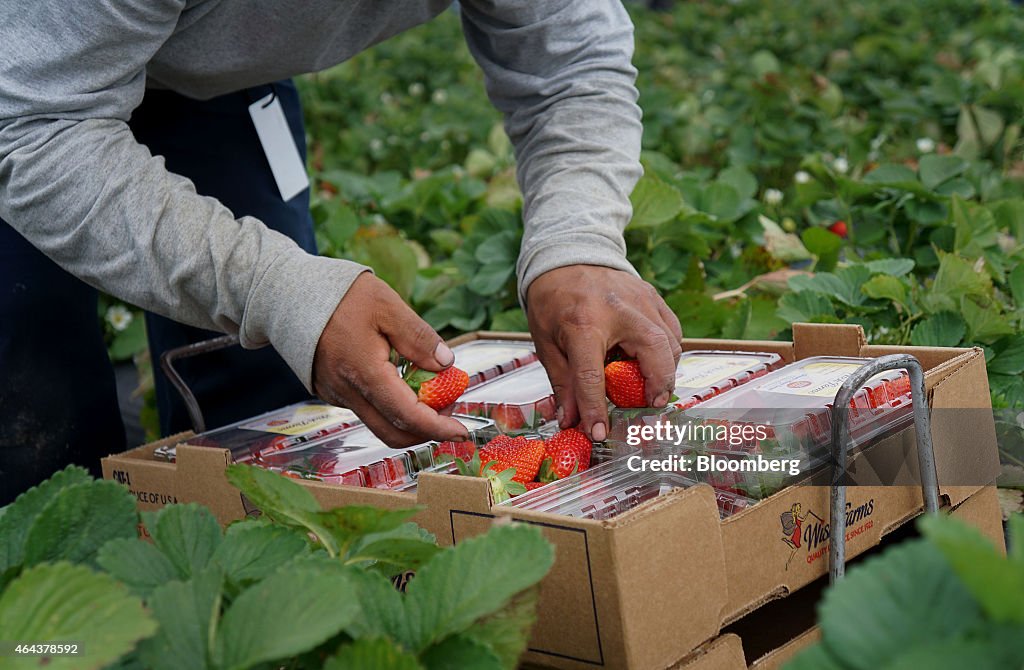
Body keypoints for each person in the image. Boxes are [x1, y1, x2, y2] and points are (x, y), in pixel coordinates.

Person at [0, 1, 683, 504]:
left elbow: (572, 65)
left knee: (270, 396)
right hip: (22, 81)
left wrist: (577, 242)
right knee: (34, 412)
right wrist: (272, 284)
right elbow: (28, 124)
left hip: (216, 74)